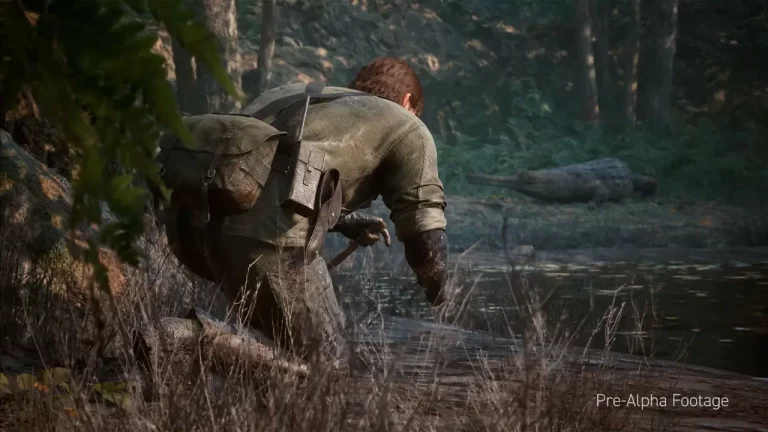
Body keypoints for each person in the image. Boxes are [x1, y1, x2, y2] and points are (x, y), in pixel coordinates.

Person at [168, 57, 449, 365]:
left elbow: (267, 168)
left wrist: (346, 222)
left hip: (189, 225)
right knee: (327, 365)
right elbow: (426, 239)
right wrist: (436, 286)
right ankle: (186, 338)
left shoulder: (295, 93)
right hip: (264, 237)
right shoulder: (407, 124)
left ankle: (191, 347)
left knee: (284, 348)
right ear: (408, 101)